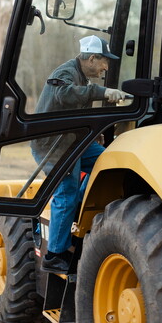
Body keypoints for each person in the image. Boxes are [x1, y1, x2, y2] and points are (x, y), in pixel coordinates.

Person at [31, 35, 126, 274]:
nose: (106, 67)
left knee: (107, 162)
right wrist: (103, 93)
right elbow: (64, 94)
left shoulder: (81, 75)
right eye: (104, 61)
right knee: (66, 192)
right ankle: (54, 255)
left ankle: (77, 210)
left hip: (73, 142)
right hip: (53, 145)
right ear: (92, 58)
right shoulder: (65, 74)